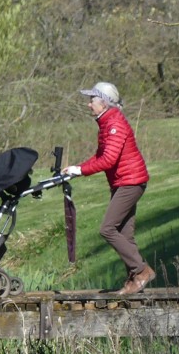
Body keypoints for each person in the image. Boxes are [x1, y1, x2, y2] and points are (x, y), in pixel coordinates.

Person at [63, 82, 154, 295]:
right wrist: (77, 168)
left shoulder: (115, 124)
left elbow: (108, 160)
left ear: (103, 102)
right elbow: (99, 156)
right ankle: (134, 281)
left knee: (107, 229)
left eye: (92, 101)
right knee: (125, 234)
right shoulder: (106, 123)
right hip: (124, 182)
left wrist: (80, 171)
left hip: (131, 182)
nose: (88, 105)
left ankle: (142, 272)